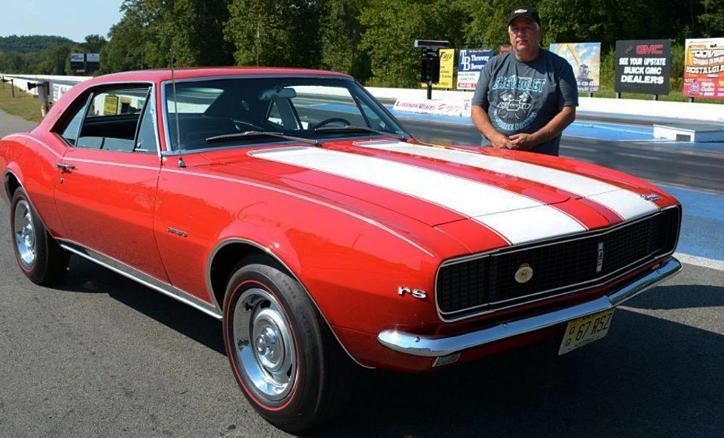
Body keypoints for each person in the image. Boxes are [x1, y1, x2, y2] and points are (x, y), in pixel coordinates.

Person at [471, 5, 578, 156]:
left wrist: (534, 139)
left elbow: (568, 112)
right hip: (493, 152)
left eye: (527, 27)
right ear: (509, 35)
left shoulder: (559, 67)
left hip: (538, 156)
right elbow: (477, 108)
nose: (520, 33)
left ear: (539, 32)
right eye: (515, 29)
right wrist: (495, 138)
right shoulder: (493, 65)